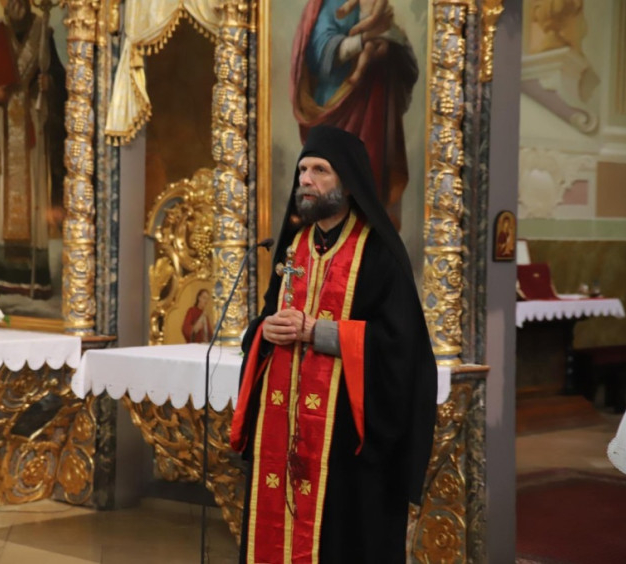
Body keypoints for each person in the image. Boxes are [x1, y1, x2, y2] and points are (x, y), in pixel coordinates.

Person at [230, 125, 437, 563]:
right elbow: (267, 318)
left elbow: (401, 348)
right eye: (302, 170)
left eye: (320, 170)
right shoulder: (294, 247)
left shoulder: (378, 251)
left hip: (346, 437)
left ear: (348, 181)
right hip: (285, 425)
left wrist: (319, 333)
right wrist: (265, 332)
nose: (306, 179)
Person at [0, 0, 67, 300]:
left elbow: (62, 83)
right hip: (2, 132)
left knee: (34, 192)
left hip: (33, 129)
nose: (16, 5)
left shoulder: (43, 34)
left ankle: (33, 278)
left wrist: (50, 84)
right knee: (1, 191)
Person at [291, 0, 418, 228]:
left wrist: (391, 43)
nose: (306, 178)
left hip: (376, 103)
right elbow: (320, 52)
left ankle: (370, 223)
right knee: (336, 166)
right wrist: (362, 40)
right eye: (304, 170)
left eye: (314, 170)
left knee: (373, 166)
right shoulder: (331, 4)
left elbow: (405, 60)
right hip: (338, 103)